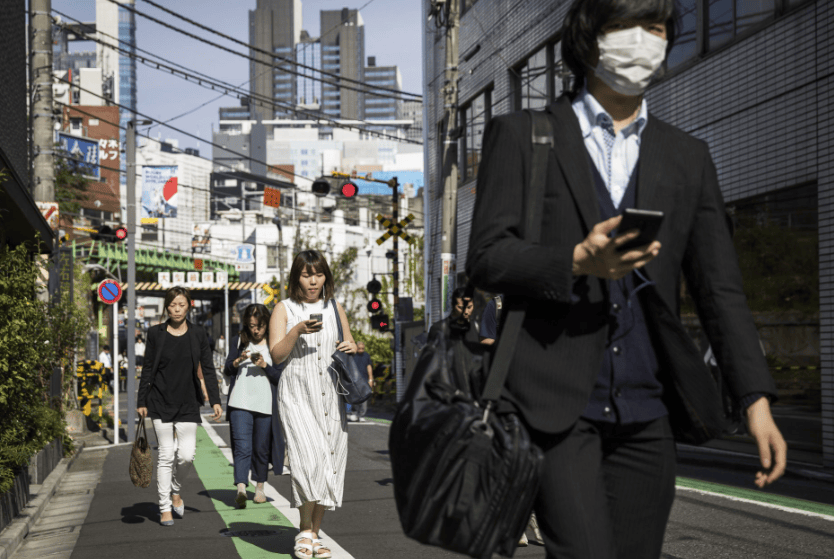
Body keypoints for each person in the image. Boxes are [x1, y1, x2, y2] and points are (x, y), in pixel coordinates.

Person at [465, 1, 787, 557]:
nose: (640, 41)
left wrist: (755, 400)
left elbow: (720, 288)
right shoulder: (522, 136)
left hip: (648, 408)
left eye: (654, 29)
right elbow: (487, 258)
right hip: (552, 405)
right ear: (588, 39)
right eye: (622, 26)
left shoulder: (687, 156)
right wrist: (573, 261)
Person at [268, 249, 357, 559]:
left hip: (331, 395)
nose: (313, 281)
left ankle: (313, 535)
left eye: (318, 274)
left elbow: (349, 343)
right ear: (297, 278)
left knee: (329, 463)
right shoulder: (284, 309)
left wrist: (351, 346)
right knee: (308, 462)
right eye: (307, 275)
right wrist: (296, 331)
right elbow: (277, 355)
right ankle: (305, 530)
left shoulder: (335, 307)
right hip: (297, 393)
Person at [137, 286, 222, 527]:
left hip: (188, 401)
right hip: (159, 400)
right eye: (172, 305)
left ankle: (175, 488)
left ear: (188, 306)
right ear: (166, 307)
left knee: (186, 455)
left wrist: (215, 400)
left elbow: (207, 367)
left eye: (181, 305)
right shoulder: (156, 334)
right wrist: (141, 401)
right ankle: (164, 507)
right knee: (166, 454)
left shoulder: (198, 333)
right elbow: (147, 368)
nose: (177, 309)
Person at [224, 304, 285, 508]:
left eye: (260, 326)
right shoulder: (239, 340)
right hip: (239, 401)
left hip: (265, 404)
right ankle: (241, 488)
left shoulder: (275, 344)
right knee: (242, 446)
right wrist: (237, 361)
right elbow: (227, 368)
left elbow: (280, 377)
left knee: (261, 448)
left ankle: (260, 488)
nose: (256, 330)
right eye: (251, 326)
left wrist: (265, 365)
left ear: (267, 324)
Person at [347, 342, 374, 422]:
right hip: (354, 380)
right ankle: (355, 413)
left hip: (364, 380)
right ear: (356, 347)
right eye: (359, 348)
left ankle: (361, 415)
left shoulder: (366, 356)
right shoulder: (352, 355)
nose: (361, 350)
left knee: (364, 398)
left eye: (363, 348)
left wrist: (371, 379)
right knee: (355, 397)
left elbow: (369, 367)